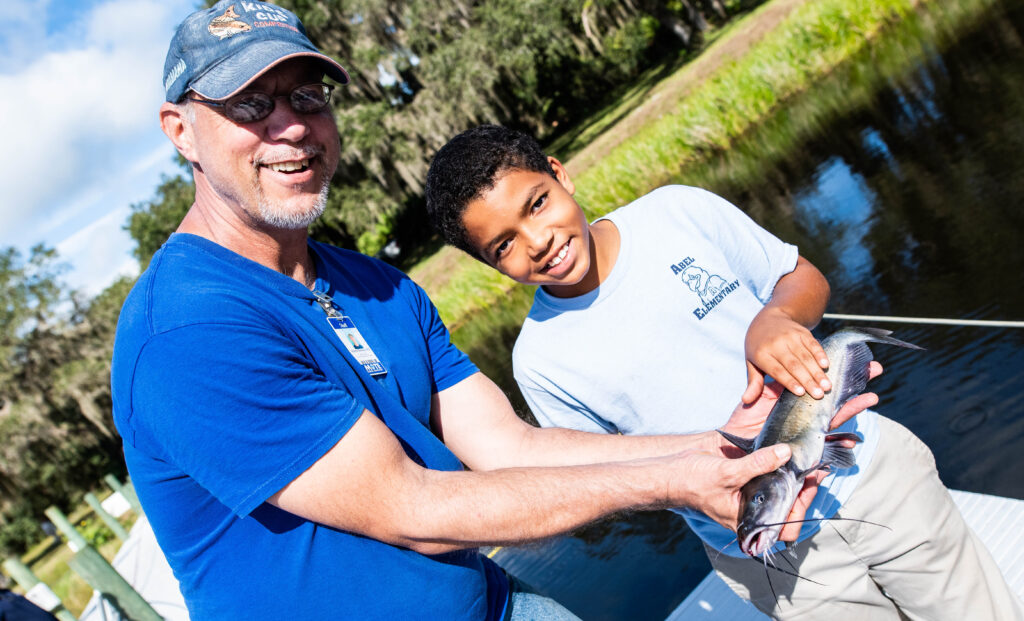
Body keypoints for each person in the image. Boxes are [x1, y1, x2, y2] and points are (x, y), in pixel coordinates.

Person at [110, 3, 875, 619]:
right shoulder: (187, 330)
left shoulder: (378, 286)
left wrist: (718, 446)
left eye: (307, 95)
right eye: (250, 104)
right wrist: (673, 481)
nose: (291, 126)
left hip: (491, 603)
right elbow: (407, 505)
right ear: (181, 129)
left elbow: (506, 443)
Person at [423, 124, 1024, 620]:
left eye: (538, 203)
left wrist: (777, 318)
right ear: (486, 263)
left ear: (560, 173)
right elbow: (606, 474)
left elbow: (803, 278)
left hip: (871, 472)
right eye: (503, 245)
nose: (539, 240)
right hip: (768, 549)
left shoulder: (675, 213)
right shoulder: (540, 359)